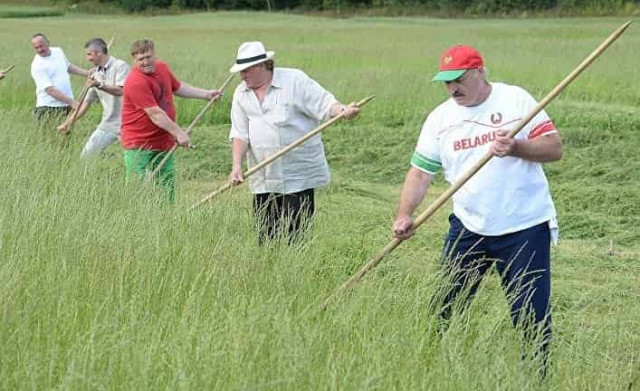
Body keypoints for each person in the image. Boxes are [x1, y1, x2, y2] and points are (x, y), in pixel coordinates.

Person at [392, 45, 562, 372]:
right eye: (446, 82)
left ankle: (537, 376)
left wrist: (516, 147)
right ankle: (429, 366)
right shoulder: (440, 119)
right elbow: (420, 172)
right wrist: (405, 214)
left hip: (523, 227)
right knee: (444, 304)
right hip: (469, 227)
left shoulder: (516, 101)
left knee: (531, 312)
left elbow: (554, 148)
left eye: (459, 78)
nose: (453, 88)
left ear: (480, 71)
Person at [228, 41, 361, 245]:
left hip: (298, 174)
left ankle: (294, 270)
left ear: (262, 66)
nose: (242, 76)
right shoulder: (241, 93)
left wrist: (343, 110)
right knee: (265, 235)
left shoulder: (294, 80)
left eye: (245, 71)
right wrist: (236, 166)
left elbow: (325, 104)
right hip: (264, 175)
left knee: (295, 235)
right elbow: (239, 133)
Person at [120, 38, 220, 201]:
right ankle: (133, 218)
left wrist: (206, 94)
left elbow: (178, 87)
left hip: (162, 140)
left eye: (148, 57)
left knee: (167, 184)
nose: (145, 62)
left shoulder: (162, 68)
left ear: (154, 54)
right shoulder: (135, 82)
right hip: (138, 143)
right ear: (134, 60)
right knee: (136, 186)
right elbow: (155, 114)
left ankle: (167, 215)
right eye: (141, 59)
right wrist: (179, 133)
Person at [58, 38, 130, 159]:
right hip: (109, 123)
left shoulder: (121, 66)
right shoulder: (95, 74)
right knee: (86, 157)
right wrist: (67, 124)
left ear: (98, 53)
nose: (88, 58)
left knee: (137, 160)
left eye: (89, 54)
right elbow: (85, 104)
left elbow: (121, 91)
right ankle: (109, 162)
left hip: (129, 123)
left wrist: (99, 84)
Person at [30, 33, 89, 123]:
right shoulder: (37, 65)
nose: (40, 50)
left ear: (48, 43)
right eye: (36, 48)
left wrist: (87, 73)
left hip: (66, 107)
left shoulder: (57, 51)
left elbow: (68, 67)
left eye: (41, 46)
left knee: (67, 135)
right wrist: (72, 102)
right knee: (50, 136)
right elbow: (50, 90)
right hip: (48, 108)